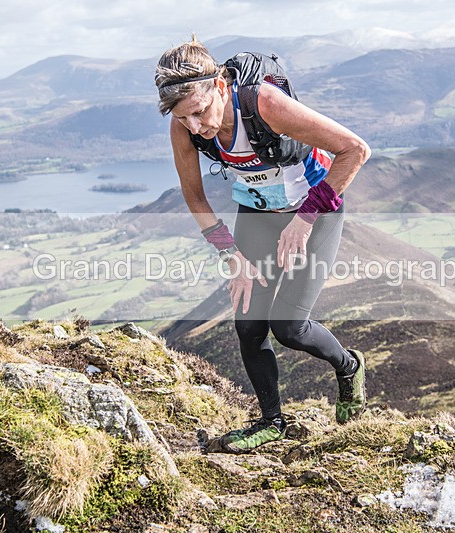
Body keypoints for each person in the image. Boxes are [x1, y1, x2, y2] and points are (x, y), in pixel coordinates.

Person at [155, 36, 370, 453]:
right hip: (256, 214)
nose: (196, 127)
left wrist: (304, 221)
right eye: (185, 120)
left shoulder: (265, 104)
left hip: (314, 212)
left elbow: (355, 150)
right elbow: (195, 198)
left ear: (219, 86)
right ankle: (271, 421)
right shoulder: (184, 125)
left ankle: (349, 367)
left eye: (199, 113)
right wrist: (229, 253)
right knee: (249, 325)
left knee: (290, 327)